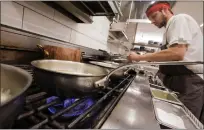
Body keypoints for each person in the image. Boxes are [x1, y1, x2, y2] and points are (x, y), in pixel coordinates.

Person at [128, 1, 204, 123]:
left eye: (154, 16)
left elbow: (177, 53)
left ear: (164, 10)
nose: (153, 22)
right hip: (178, 81)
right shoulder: (168, 30)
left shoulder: (179, 19)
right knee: (171, 120)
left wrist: (139, 58)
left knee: (182, 122)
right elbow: (167, 56)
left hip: (189, 82)